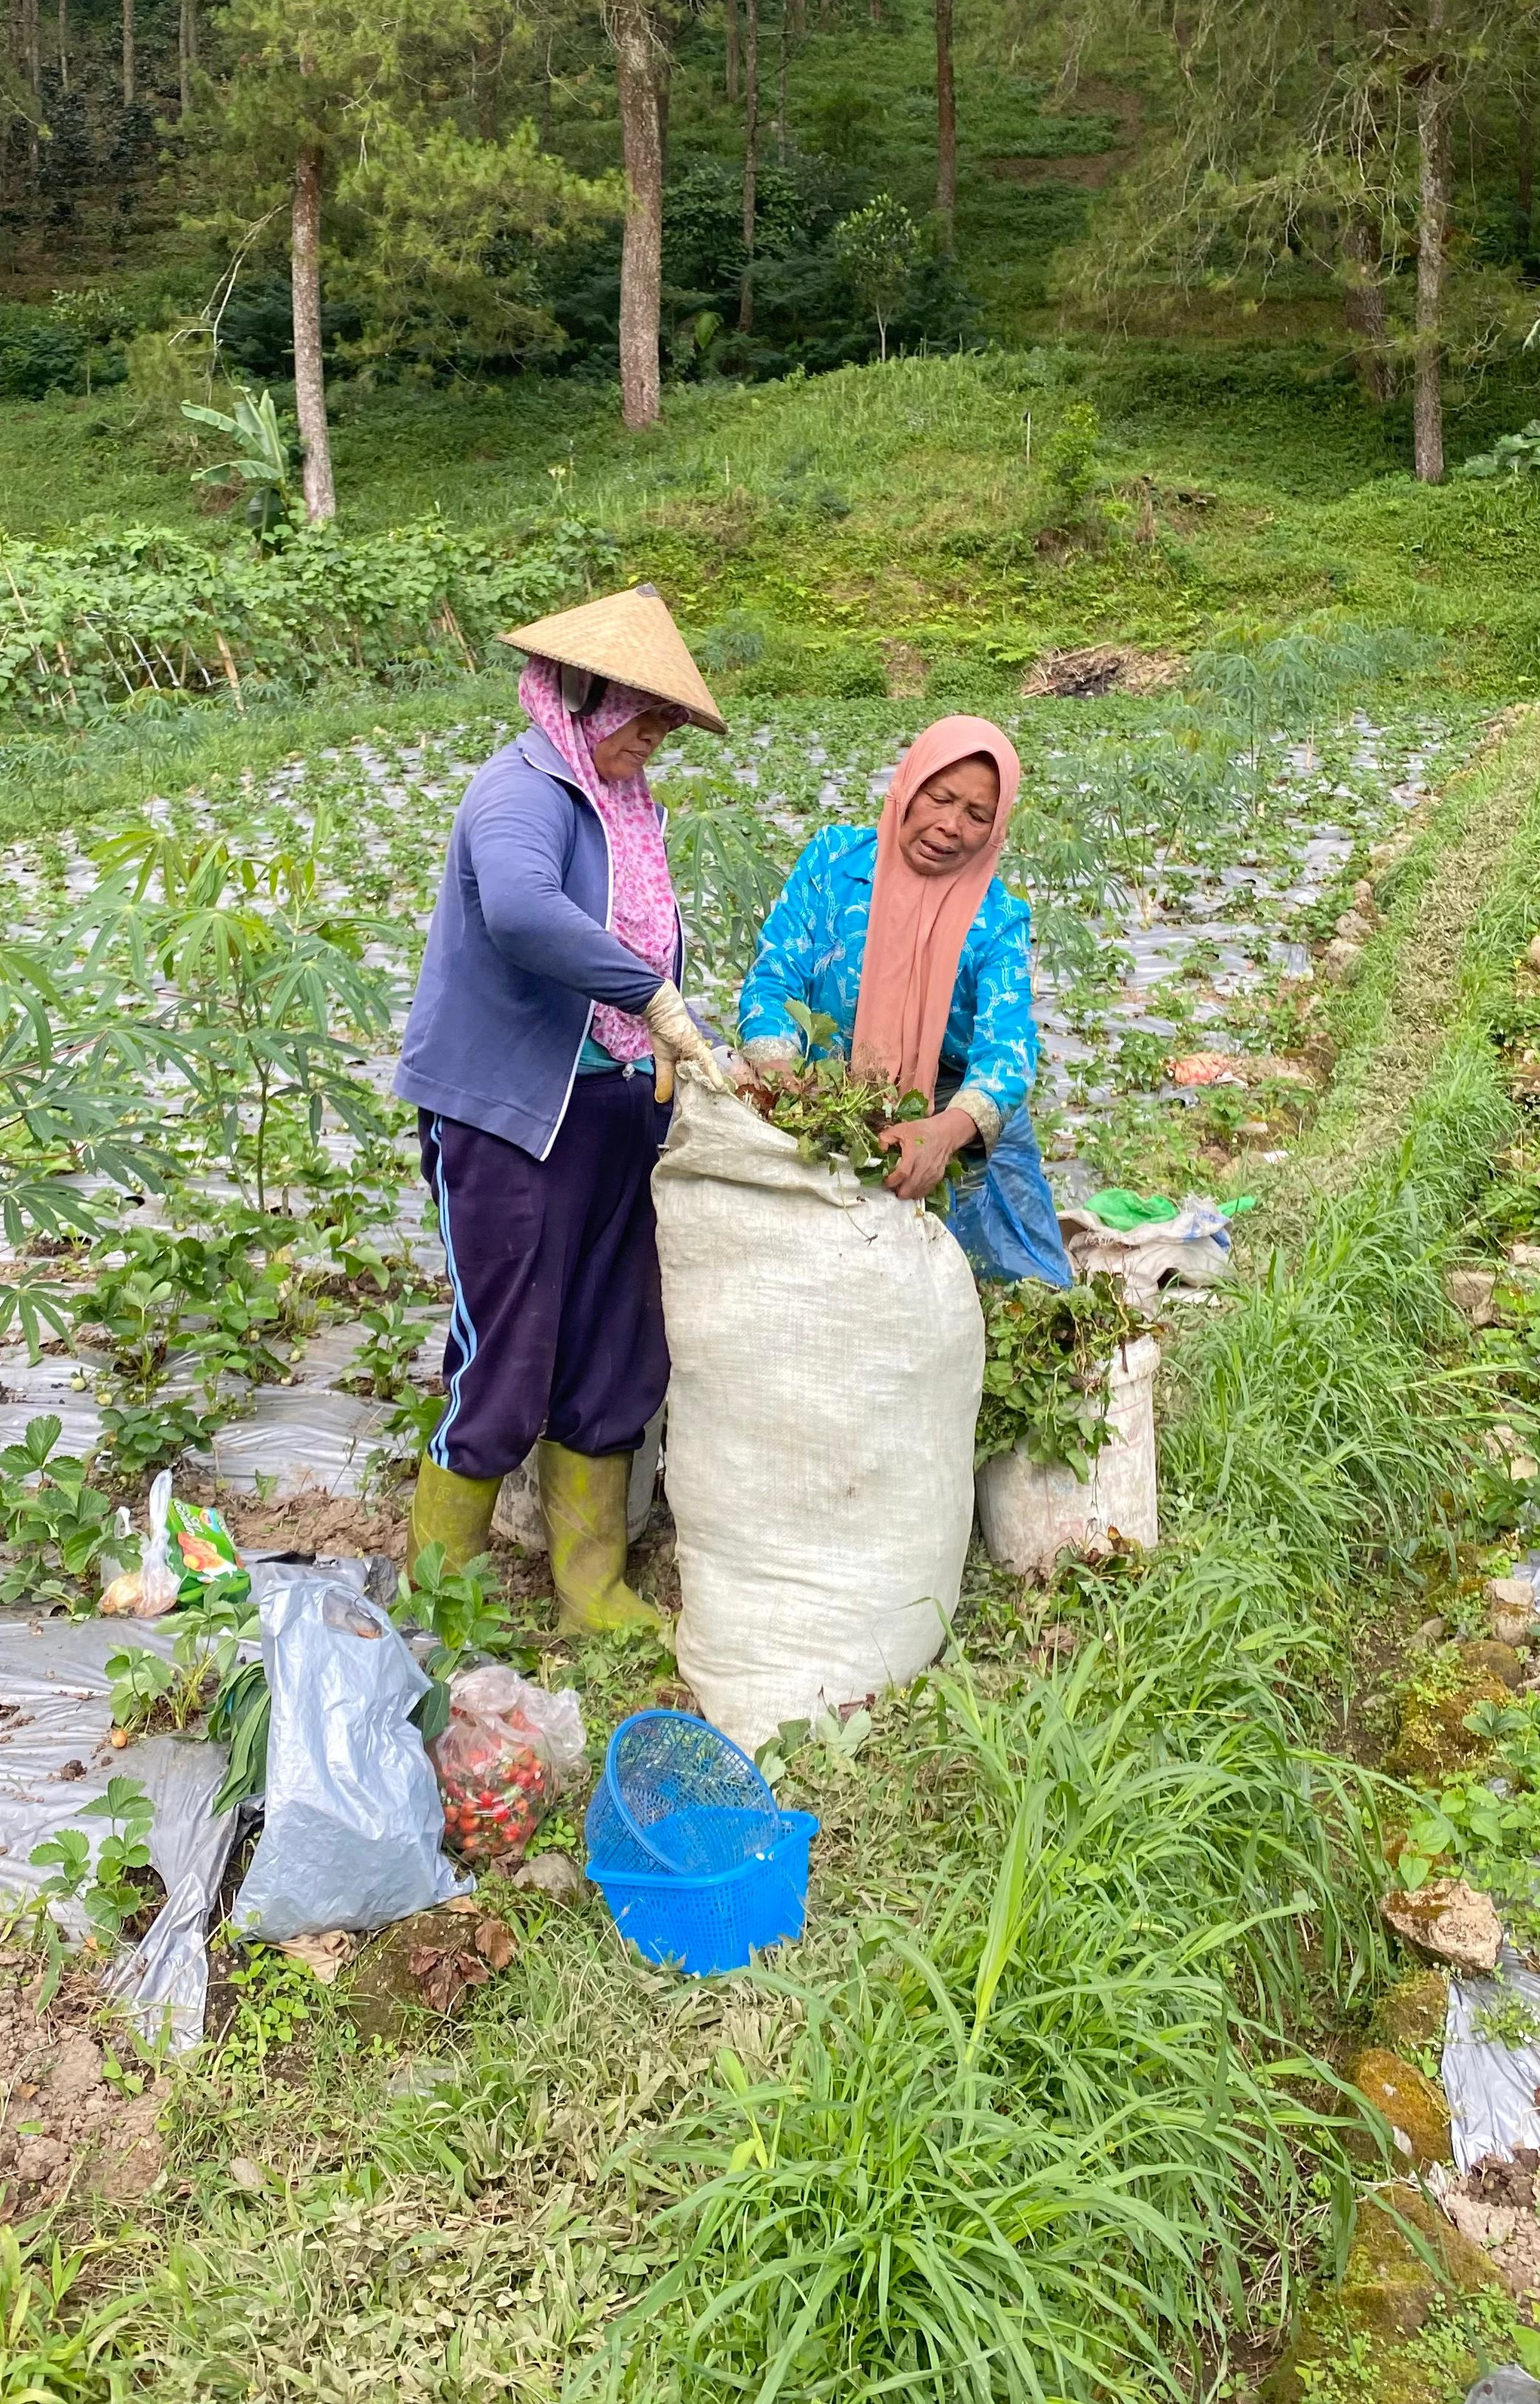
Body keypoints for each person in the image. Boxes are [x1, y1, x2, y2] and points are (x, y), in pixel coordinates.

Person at [393, 584, 729, 1632]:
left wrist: (682, 1031)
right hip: (510, 1120)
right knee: (506, 1352)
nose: (658, 739)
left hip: (618, 1111)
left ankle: (592, 1586)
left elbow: (639, 938)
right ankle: (439, 1598)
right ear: (585, 695)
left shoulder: (627, 807)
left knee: (612, 1347)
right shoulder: (524, 790)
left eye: (670, 723)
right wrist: (652, 995)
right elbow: (527, 911)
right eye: (648, 716)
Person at [737, 714, 1071, 1286]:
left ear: (995, 830)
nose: (949, 826)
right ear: (908, 789)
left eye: (976, 816)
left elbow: (1007, 1052)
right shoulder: (833, 863)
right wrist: (782, 1076)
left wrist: (944, 1133)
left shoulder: (997, 920)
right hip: (828, 1098)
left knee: (1017, 1285)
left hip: (949, 1110)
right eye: (939, 798)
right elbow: (775, 978)